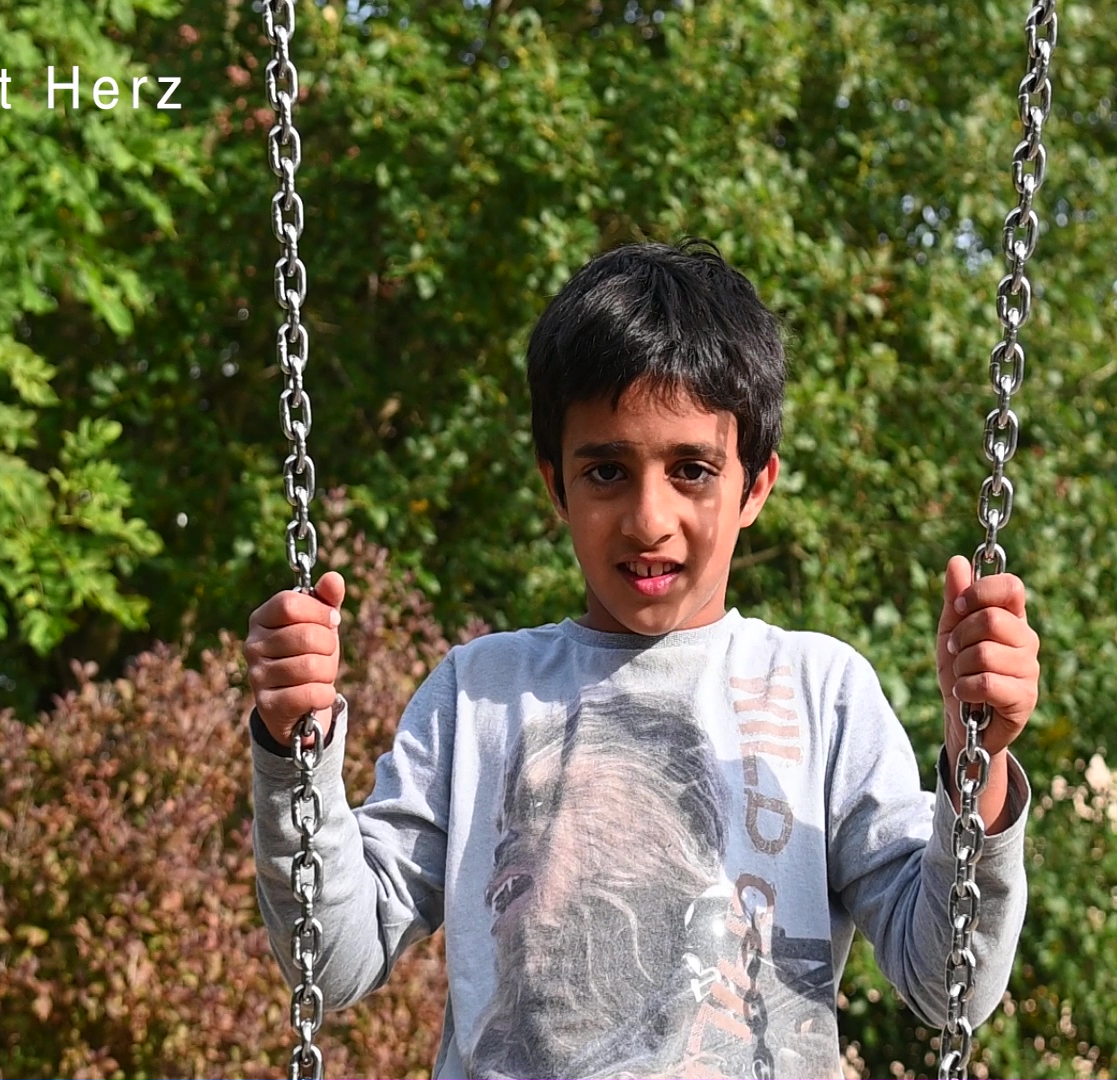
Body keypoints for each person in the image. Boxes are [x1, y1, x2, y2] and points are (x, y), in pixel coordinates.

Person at [244, 240, 1042, 1080]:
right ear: (556, 485)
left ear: (755, 485)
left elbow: (947, 982)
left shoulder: (820, 693)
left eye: (692, 470)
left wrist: (978, 761)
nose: (648, 519)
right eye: (606, 472)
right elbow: (331, 957)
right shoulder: (480, 696)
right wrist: (294, 744)